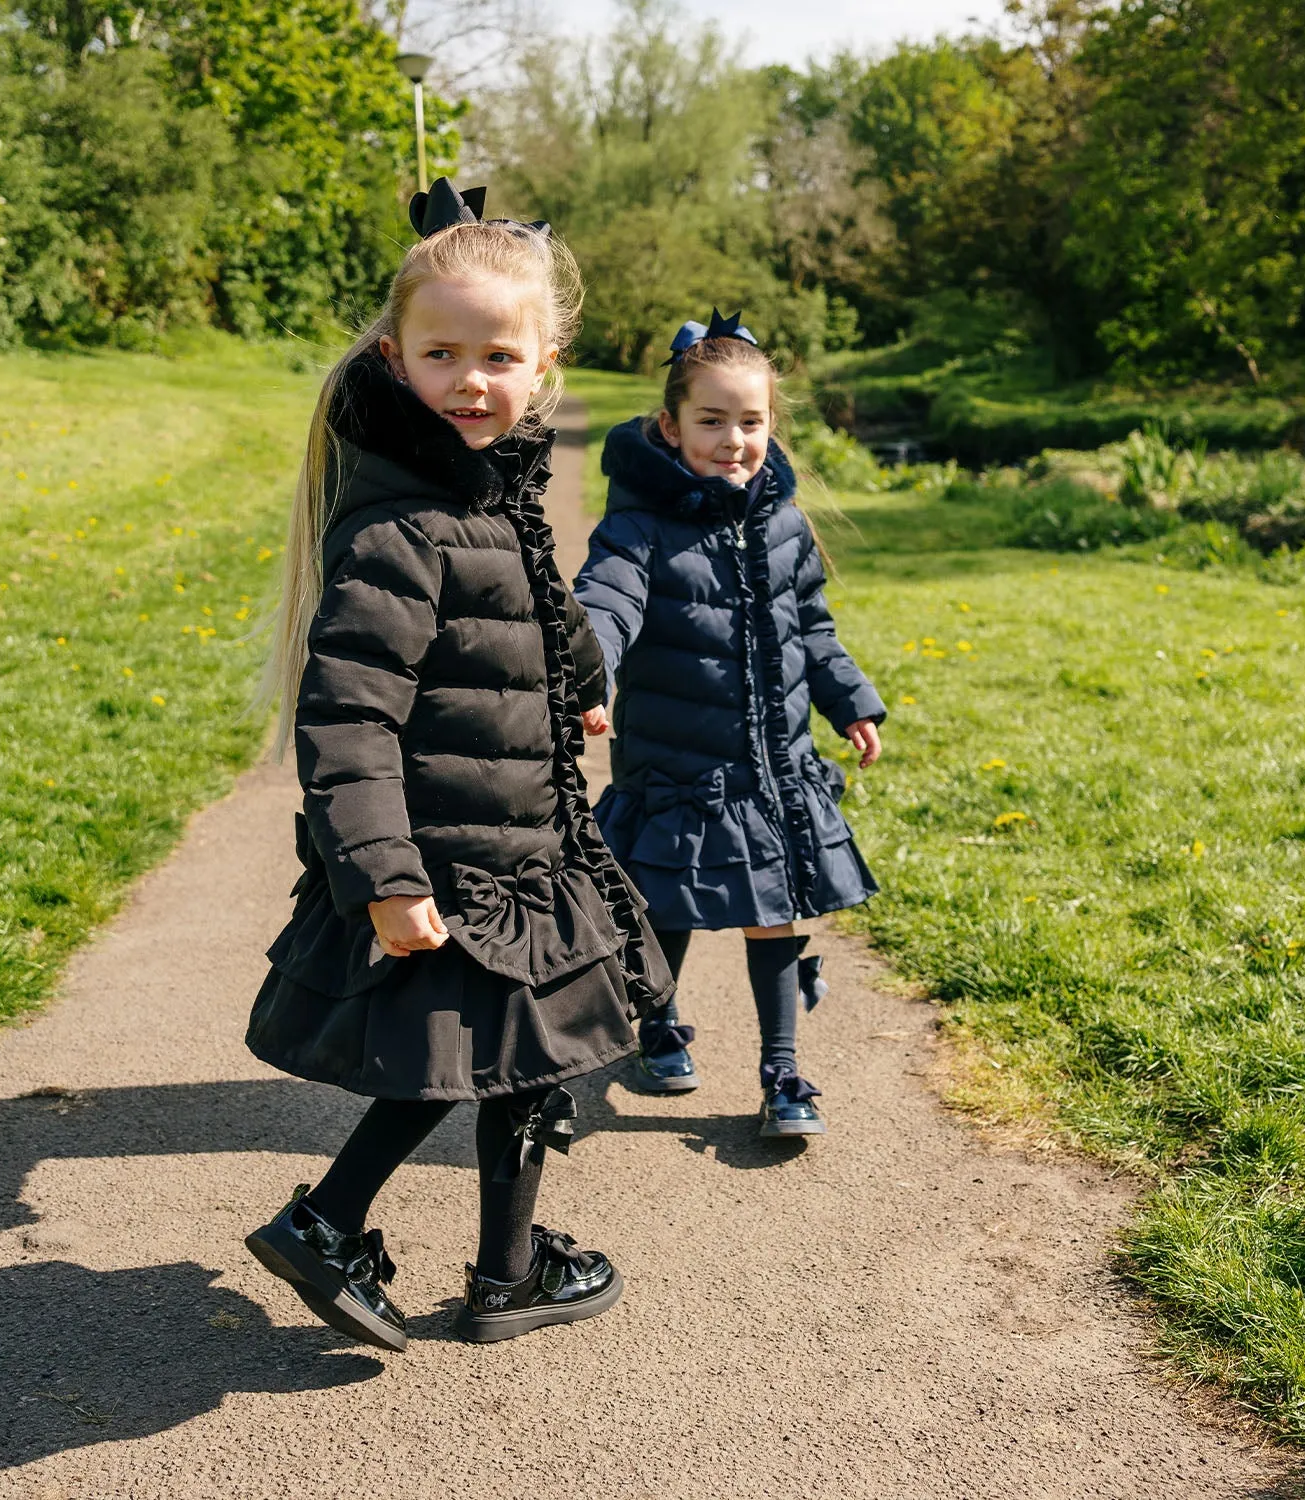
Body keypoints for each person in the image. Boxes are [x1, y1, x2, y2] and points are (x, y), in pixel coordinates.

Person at [243, 178, 672, 1352]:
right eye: (442, 355)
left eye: (497, 356)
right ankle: (394, 1239)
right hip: (456, 860)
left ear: (546, 366)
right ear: (395, 358)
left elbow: (527, 615)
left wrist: (577, 688)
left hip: (514, 841)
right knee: (510, 1060)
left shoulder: (487, 496)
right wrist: (384, 873)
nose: (471, 381)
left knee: (509, 1062)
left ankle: (478, 1260)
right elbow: (347, 722)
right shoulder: (401, 528)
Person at [573, 309, 885, 1139]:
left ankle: (782, 1071)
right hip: (677, 765)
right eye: (711, 421)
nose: (733, 439)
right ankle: (659, 1022)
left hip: (772, 766)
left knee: (772, 909)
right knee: (667, 903)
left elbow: (812, 628)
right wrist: (586, 670)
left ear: (771, 426)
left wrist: (850, 699)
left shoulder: (782, 522)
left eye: (751, 422)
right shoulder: (639, 524)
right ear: (671, 427)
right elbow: (606, 602)